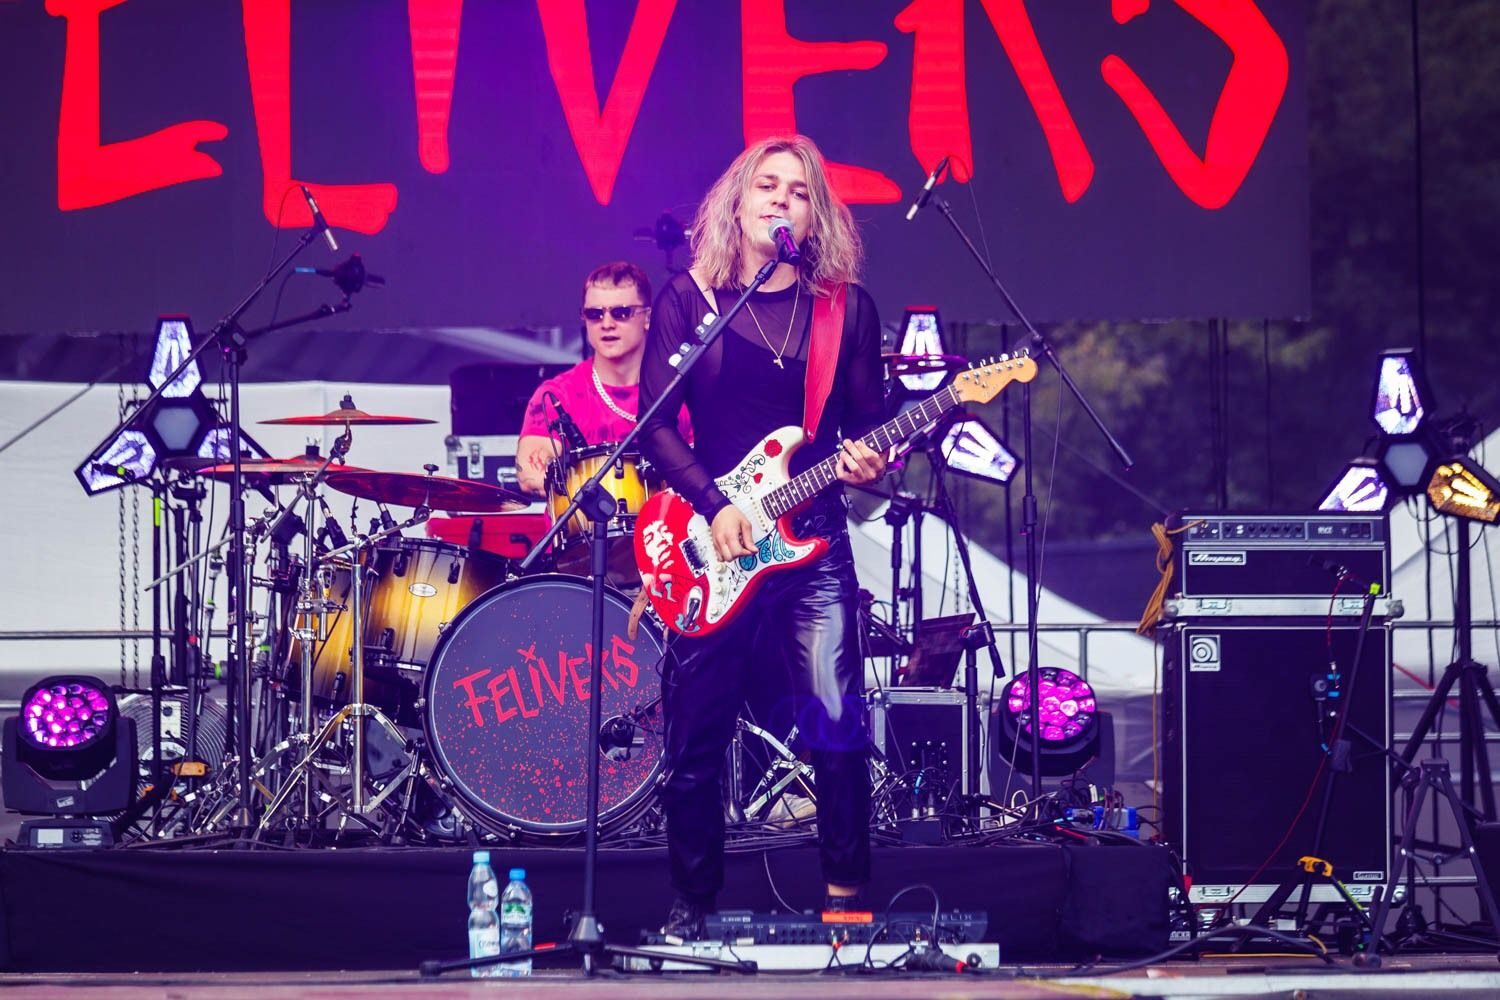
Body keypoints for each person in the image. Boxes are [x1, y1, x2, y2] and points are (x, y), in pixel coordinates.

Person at [637, 135, 887, 938]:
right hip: (716, 542)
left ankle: (846, 900)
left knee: (835, 722)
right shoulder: (691, 301)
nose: (781, 198)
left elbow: (868, 426)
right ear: (737, 202)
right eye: (767, 185)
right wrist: (713, 504)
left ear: (816, 216)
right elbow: (654, 426)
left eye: (799, 190)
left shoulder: (845, 309)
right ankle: (693, 906)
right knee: (695, 739)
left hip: (812, 541)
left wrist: (869, 461)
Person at [515, 261, 692, 498]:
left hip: (668, 519)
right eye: (595, 314)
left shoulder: (681, 390)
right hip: (582, 522)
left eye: (621, 313)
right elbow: (530, 474)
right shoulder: (558, 394)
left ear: (648, 317)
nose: (606, 324)